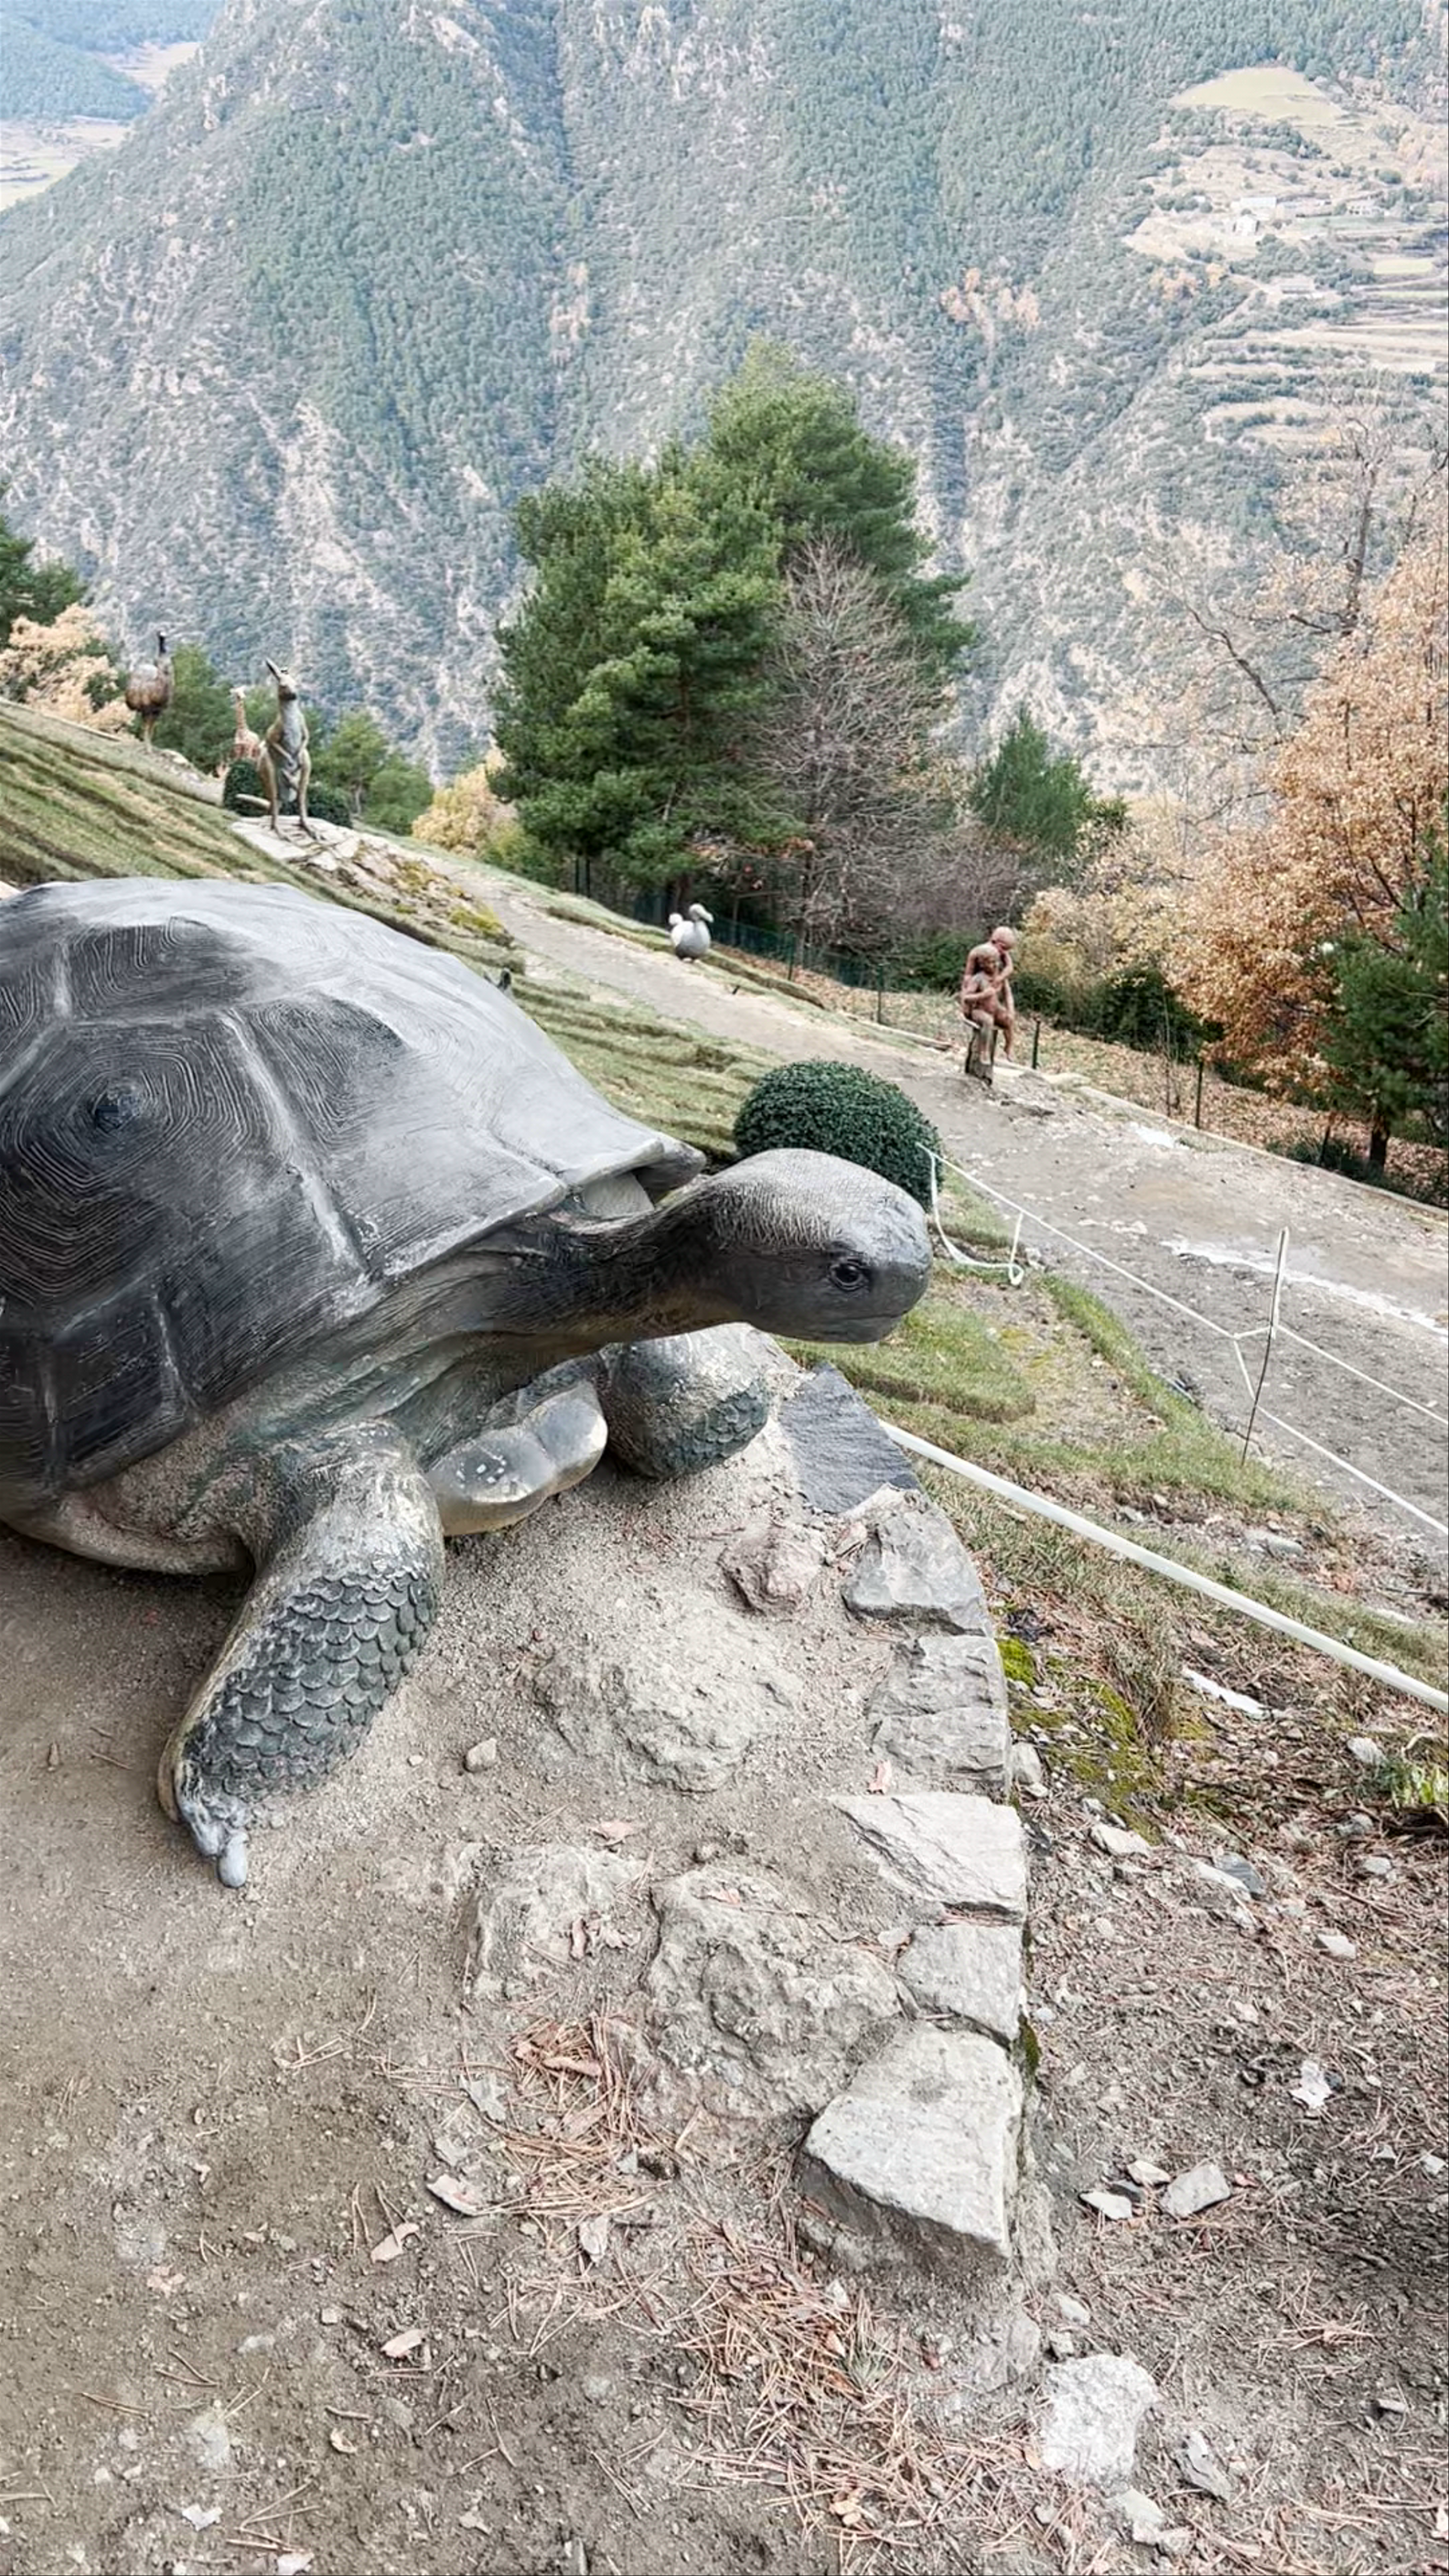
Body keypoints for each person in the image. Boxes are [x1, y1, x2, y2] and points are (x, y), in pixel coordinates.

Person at [958, 925, 1018, 1063]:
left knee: (1008, 1020)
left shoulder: (1000, 958)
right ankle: (983, 1052)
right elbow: (967, 977)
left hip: (993, 1001)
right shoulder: (977, 954)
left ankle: (1009, 1047)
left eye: (997, 963)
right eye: (1003, 949)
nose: (1004, 955)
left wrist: (1000, 979)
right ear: (995, 942)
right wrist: (967, 1003)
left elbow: (1010, 969)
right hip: (978, 998)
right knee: (987, 1021)